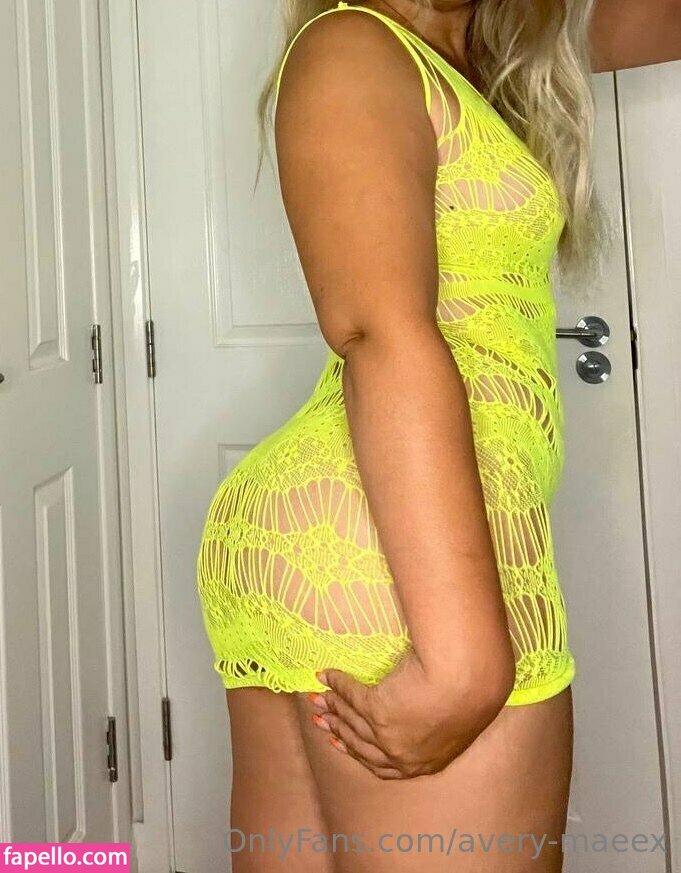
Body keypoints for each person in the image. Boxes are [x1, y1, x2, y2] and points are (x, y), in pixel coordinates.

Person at [196, 2, 681, 870]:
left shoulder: (483, 45)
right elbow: (378, 333)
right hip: (392, 546)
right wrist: (464, 663)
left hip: (347, 532)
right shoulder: (354, 46)